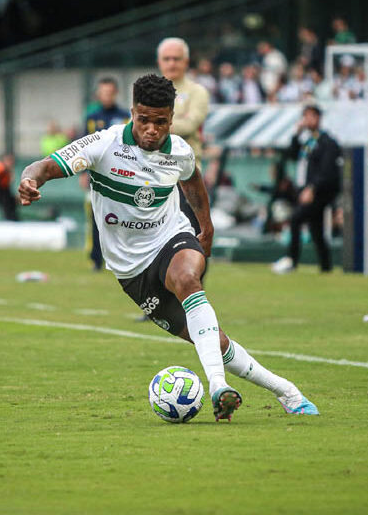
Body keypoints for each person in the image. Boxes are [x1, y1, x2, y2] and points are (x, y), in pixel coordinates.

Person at [19, 74, 319, 421]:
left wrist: (205, 228)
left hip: (170, 238)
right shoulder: (103, 144)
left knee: (188, 278)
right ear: (132, 112)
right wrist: (29, 180)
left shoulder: (179, 151)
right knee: (215, 343)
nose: (151, 129)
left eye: (160, 122)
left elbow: (194, 184)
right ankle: (287, 391)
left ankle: (218, 386)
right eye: (143, 119)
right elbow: (42, 166)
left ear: (171, 120)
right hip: (131, 271)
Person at [272, 105, 341, 274]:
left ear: (318, 118)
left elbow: (327, 171)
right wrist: (296, 133)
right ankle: (326, 267)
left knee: (296, 219)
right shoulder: (309, 142)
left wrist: (312, 188)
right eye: (305, 117)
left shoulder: (327, 143)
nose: (307, 120)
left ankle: (292, 260)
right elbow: (293, 154)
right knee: (316, 229)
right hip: (306, 191)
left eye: (310, 116)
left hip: (319, 193)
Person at [156, 37, 210, 235]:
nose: (172, 63)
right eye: (167, 58)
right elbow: (136, 127)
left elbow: (190, 125)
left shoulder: (197, 91)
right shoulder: (147, 89)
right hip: (153, 169)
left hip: (186, 170)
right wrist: (174, 121)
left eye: (176, 58)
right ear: (159, 61)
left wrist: (154, 123)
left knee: (191, 230)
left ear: (186, 62)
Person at [83, 77, 130, 271]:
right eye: (103, 92)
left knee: (124, 217)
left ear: (116, 92)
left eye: (110, 92)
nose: (107, 96)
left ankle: (124, 257)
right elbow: (85, 144)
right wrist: (84, 172)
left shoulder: (125, 116)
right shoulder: (92, 118)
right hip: (98, 174)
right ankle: (96, 258)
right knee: (97, 216)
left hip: (121, 173)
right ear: (98, 94)